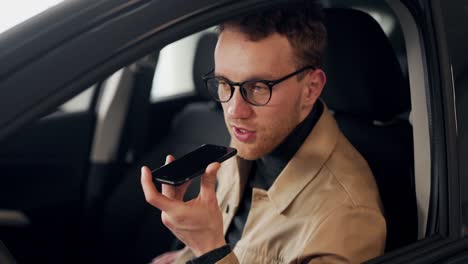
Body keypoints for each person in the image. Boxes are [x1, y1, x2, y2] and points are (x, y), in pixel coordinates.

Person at [141, 1, 386, 263]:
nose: (235, 110)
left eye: (258, 86)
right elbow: (238, 237)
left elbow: (220, 246)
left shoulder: (348, 219)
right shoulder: (255, 132)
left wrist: (209, 250)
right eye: (224, 83)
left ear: (311, 88)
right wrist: (185, 255)